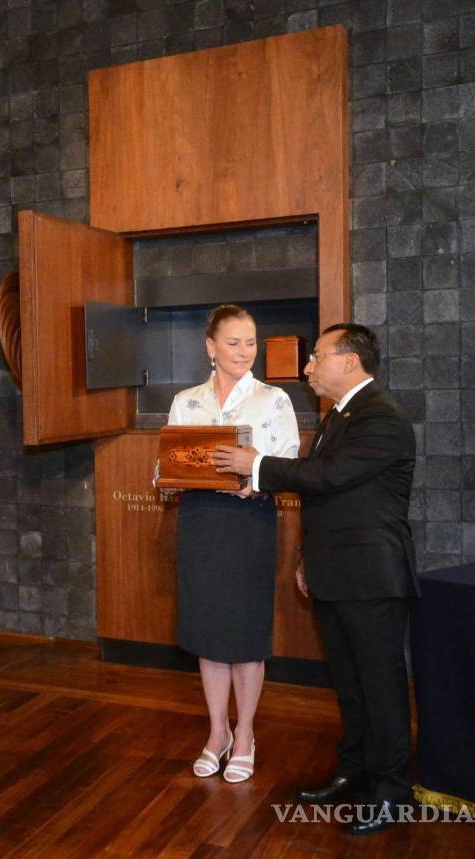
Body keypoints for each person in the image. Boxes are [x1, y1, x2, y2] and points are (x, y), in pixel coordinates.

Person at [213, 323, 418, 835]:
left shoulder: (382, 418)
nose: (308, 366)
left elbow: (326, 477)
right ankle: (354, 773)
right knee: (349, 686)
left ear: (349, 362)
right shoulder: (339, 415)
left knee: (382, 688)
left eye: (317, 356)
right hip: (335, 571)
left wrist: (254, 463)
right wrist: (307, 557)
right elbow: (325, 499)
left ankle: (393, 791)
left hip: (371, 577)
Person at [156, 305, 299, 784]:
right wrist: (170, 478)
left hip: (248, 523)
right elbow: (166, 468)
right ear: (210, 346)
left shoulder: (273, 399)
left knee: (245, 634)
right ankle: (216, 732)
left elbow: (289, 466)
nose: (244, 351)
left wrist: (253, 480)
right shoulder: (186, 401)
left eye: (251, 342)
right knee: (210, 634)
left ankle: (245, 734)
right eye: (234, 342)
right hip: (200, 524)